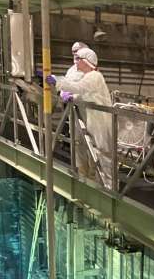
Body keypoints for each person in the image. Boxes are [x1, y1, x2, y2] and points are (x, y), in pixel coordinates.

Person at [46, 47, 112, 185]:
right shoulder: (89, 76)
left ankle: (108, 188)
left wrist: (57, 81)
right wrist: (71, 97)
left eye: (78, 59)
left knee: (102, 153)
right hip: (92, 119)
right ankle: (94, 182)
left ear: (86, 61)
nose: (76, 62)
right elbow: (83, 94)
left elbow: (80, 88)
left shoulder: (95, 76)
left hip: (100, 121)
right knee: (93, 151)